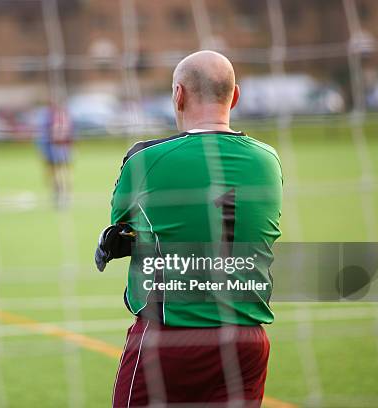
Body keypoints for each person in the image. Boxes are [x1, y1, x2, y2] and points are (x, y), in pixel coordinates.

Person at [95, 50, 283, 407]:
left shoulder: (145, 158)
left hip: (169, 339)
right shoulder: (268, 160)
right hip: (247, 342)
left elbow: (123, 223)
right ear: (236, 96)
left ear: (178, 95)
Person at [37, 103, 73, 208]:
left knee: (60, 173)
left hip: (57, 149)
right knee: (58, 173)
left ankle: (62, 196)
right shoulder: (50, 115)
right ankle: (61, 195)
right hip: (57, 149)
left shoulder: (54, 115)